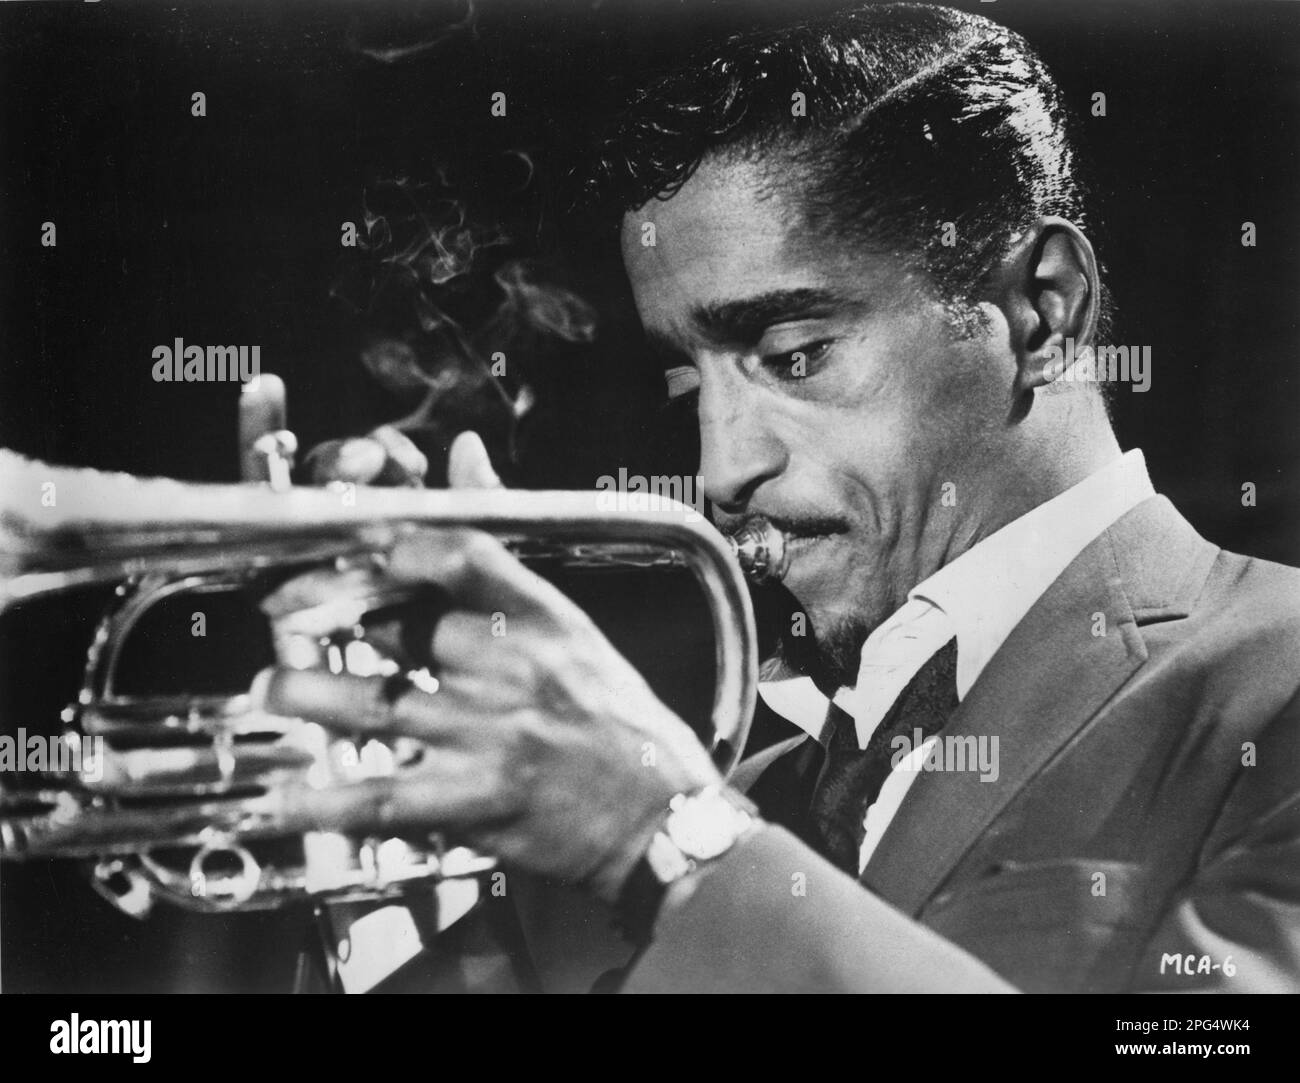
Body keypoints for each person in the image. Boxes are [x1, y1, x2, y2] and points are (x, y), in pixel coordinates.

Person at [262, 3, 1300, 992]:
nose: (720, 475)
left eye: (794, 357)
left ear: (1041, 313)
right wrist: (390, 846)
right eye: (685, 383)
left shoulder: (1275, 686)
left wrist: (665, 835)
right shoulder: (757, 798)